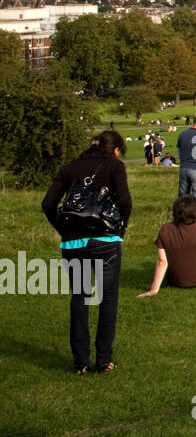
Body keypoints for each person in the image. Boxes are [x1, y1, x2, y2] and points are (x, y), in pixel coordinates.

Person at [42, 130, 133, 374]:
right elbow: (125, 201)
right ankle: (104, 358)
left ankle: (80, 361)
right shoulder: (114, 167)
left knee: (80, 298)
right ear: (115, 149)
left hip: (74, 242)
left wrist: (63, 229)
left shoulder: (69, 168)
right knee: (108, 298)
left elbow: (47, 204)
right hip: (105, 239)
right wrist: (121, 227)